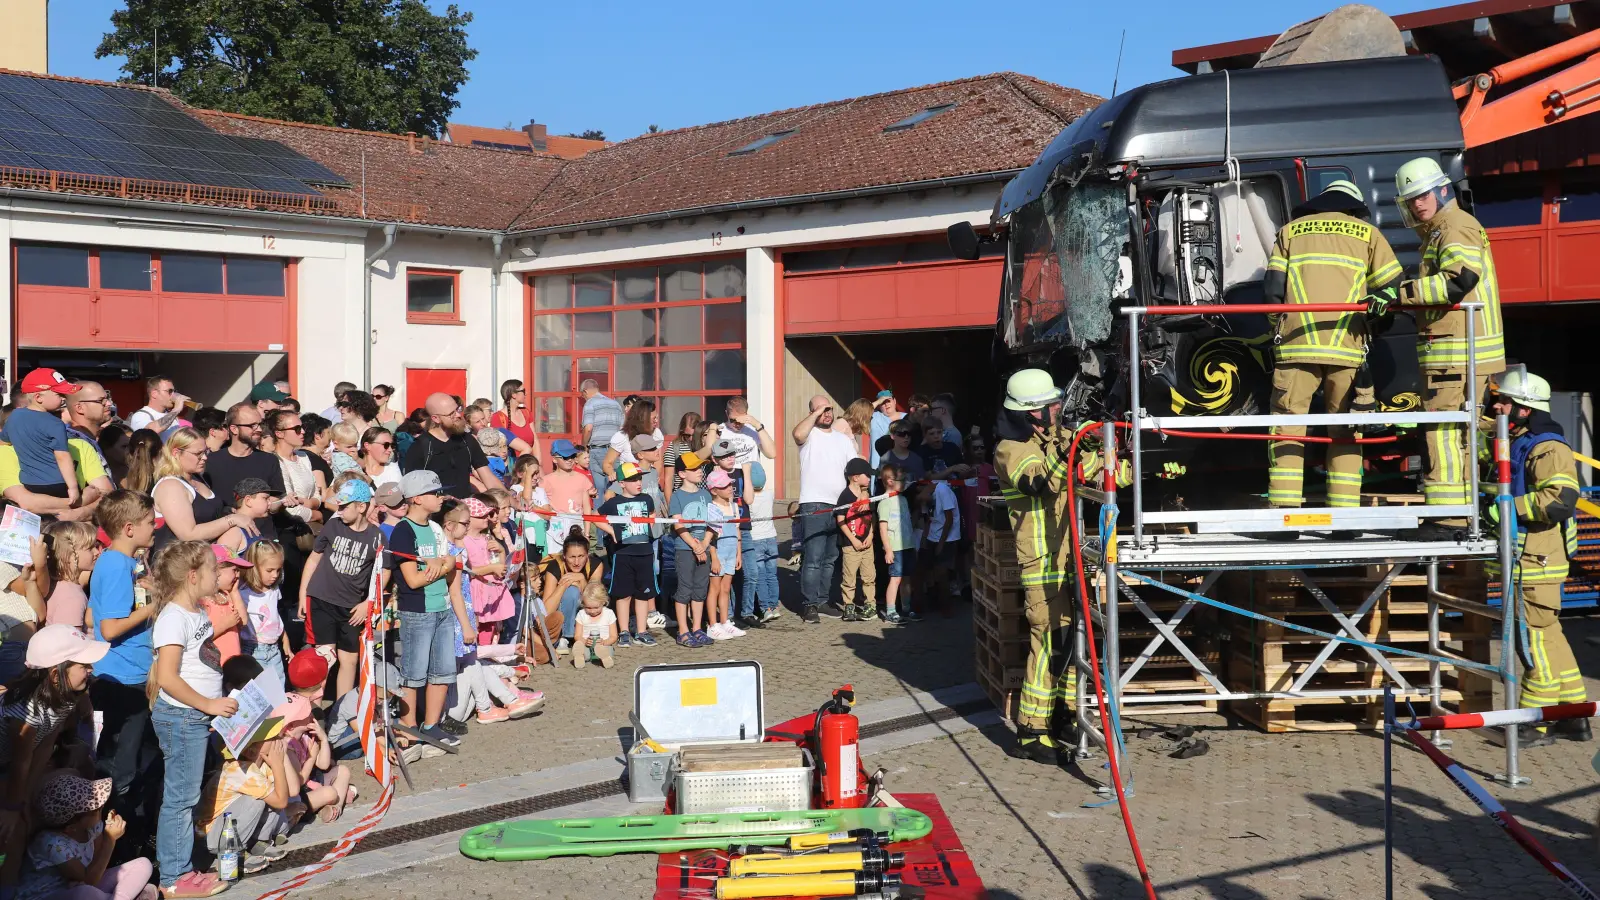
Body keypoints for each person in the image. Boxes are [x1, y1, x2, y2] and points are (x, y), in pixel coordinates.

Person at [1378, 158, 1507, 533]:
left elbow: (1458, 280)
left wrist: (1399, 295)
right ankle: (1462, 513)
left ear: (1442, 190)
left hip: (1456, 354)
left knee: (1444, 432)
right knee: (1459, 433)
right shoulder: (1441, 230)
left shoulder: (1454, 226)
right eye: (1411, 200)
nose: (1417, 205)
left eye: (1422, 196)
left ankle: (1449, 518)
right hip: (1460, 353)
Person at [1261, 180, 1400, 516]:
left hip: (1296, 346)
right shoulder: (1368, 234)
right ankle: (1346, 515)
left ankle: (1285, 512)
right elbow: (1391, 287)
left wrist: (1277, 328)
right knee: (1347, 430)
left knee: (1288, 425)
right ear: (1353, 207)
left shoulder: (1290, 231)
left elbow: (1272, 289)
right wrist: (1375, 327)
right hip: (1347, 347)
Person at [1481, 371, 1588, 747]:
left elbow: (1559, 501)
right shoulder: (1523, 440)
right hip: (1537, 561)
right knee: (1551, 638)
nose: (1497, 407)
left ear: (1525, 410)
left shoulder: (1547, 448)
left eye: (1505, 402)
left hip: (1535, 563)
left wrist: (1502, 509)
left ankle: (1533, 723)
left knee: (1533, 644)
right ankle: (1574, 717)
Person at [993, 369, 1078, 765]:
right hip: (1042, 563)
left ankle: (1063, 717)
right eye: (1050, 405)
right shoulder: (1011, 449)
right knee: (1047, 644)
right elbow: (1041, 483)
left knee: (1067, 643)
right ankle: (1031, 732)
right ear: (1031, 413)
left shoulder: (1053, 438)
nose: (1058, 409)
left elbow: (1087, 468)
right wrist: (1072, 448)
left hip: (1067, 560)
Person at [149, 539, 240, 898]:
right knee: (180, 799)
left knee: (185, 796)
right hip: (183, 716)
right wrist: (208, 704)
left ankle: (182, 869)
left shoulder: (196, 611)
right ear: (192, 576)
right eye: (212, 569)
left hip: (195, 715)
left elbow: (197, 656)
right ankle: (174, 879)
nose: (218, 574)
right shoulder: (173, 618)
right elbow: (167, 676)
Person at [0, 625, 106, 896]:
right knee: (11, 832)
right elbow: (21, 762)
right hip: (6, 767)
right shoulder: (27, 710)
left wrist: (28, 798)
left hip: (13, 767)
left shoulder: (65, 697)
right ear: (56, 674)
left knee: (26, 820)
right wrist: (14, 806)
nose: (91, 669)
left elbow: (45, 748)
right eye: (84, 665)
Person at [86, 491, 160, 858]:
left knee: (140, 762)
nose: (155, 527)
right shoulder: (114, 564)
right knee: (122, 771)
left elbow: (91, 616)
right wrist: (151, 608)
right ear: (129, 528)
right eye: (149, 522)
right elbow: (111, 627)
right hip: (121, 681)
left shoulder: (124, 562)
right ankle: (116, 850)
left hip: (134, 676)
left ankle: (133, 837)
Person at [386, 470, 475, 758]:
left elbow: (450, 562)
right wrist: (440, 566)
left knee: (442, 672)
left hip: (442, 608)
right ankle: (409, 726)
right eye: (435, 494)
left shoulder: (436, 528)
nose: (440, 498)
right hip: (418, 611)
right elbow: (412, 579)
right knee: (413, 674)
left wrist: (440, 565)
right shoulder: (403, 531)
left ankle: (431, 725)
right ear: (416, 499)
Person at [300, 480, 383, 705]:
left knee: (350, 660)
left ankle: (341, 712)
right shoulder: (333, 526)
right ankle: (314, 713)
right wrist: (302, 594)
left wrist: (369, 602)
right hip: (321, 599)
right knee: (324, 657)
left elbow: (381, 574)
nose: (339, 511)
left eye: (344, 507)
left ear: (361, 507)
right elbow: (313, 559)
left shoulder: (376, 537)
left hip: (352, 607)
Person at [19, 770, 156, 900]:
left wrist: (106, 833)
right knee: (84, 892)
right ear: (71, 827)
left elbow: (97, 866)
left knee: (144, 864)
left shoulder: (91, 828)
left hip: (83, 886)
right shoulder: (52, 844)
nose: (101, 807)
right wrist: (109, 840)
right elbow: (88, 880)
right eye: (94, 810)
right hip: (49, 895)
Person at [791, 395, 858, 624]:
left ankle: (821, 600)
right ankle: (809, 604)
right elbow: (797, 434)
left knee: (830, 558)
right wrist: (815, 413)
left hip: (840, 505)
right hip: (814, 504)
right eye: (821, 410)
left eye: (829, 409)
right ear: (812, 412)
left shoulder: (842, 439)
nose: (826, 413)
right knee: (813, 557)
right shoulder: (808, 435)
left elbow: (854, 469)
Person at [151, 428, 256, 559]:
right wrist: (232, 520)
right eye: (198, 453)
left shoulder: (197, 479)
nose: (205, 457)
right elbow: (188, 534)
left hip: (203, 561)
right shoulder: (170, 486)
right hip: (178, 567)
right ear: (176, 453)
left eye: (205, 451)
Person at [594, 462, 658, 648]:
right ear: (621, 483)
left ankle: (642, 631)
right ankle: (623, 631)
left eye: (639, 478)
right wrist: (612, 531)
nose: (638, 482)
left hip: (645, 552)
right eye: (632, 480)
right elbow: (595, 516)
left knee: (643, 594)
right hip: (623, 553)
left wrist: (649, 525)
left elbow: (653, 515)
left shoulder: (647, 499)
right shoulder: (614, 502)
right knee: (623, 595)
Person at [205, 403, 289, 542]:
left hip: (263, 540)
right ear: (234, 429)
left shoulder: (268, 460)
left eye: (260, 424)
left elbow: (275, 499)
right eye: (252, 426)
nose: (259, 429)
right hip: (225, 540)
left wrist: (280, 503)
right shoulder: (211, 461)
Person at [1, 368, 81, 503]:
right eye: (59, 395)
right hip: (57, 483)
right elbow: (62, 457)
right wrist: (73, 487)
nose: (64, 399)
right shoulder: (55, 424)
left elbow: (3, 442)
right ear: (38, 397)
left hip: (29, 483)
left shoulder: (15, 416)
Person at [402, 393, 497, 499]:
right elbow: (412, 492)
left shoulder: (466, 440)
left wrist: (510, 500)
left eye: (458, 409)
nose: (458, 415)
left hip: (465, 510)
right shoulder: (420, 448)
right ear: (436, 418)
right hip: (435, 512)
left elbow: (489, 478)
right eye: (451, 413)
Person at [668, 453, 712, 648]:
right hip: (685, 549)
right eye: (694, 469)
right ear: (682, 474)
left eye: (700, 468)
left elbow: (713, 522)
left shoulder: (706, 494)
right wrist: (694, 545)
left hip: (705, 547)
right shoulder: (677, 496)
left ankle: (697, 628)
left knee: (700, 589)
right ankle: (683, 630)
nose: (699, 472)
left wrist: (705, 543)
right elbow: (678, 525)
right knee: (685, 588)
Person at [539, 528, 604, 657]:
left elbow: (596, 598)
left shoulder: (596, 565)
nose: (576, 562)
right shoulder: (554, 566)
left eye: (581, 556)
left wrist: (582, 580)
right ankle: (565, 637)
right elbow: (546, 609)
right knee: (571, 591)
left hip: (587, 608)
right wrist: (564, 584)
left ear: (587, 555)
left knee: (581, 592)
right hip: (559, 610)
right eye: (572, 557)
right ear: (564, 556)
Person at [463, 496, 513, 645]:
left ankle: (488, 654)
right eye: (482, 515)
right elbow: (468, 570)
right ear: (469, 519)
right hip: (476, 590)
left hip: (492, 590)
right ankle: (480, 657)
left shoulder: (487, 537)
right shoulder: (464, 541)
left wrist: (501, 551)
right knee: (479, 626)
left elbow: (501, 567)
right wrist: (492, 568)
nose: (487, 517)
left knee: (491, 627)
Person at [238, 539, 289, 684]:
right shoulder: (244, 594)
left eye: (278, 570)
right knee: (257, 691)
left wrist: (285, 639)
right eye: (270, 570)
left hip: (274, 649)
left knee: (278, 688)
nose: (275, 575)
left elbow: (275, 616)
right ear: (254, 567)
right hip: (253, 649)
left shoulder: (273, 590)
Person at [834, 457, 878, 622]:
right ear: (855, 477)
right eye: (867, 475)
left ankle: (870, 606)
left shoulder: (867, 495)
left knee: (869, 576)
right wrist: (853, 540)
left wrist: (871, 535)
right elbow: (840, 520)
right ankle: (848, 606)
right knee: (849, 578)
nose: (869, 478)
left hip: (867, 544)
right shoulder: (845, 496)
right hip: (850, 545)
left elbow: (871, 517)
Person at [739, 461, 782, 627]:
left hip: (755, 539)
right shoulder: (769, 494)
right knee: (772, 575)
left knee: (761, 577)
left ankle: (765, 609)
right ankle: (774, 604)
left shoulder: (749, 498)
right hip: (771, 538)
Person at [704, 469, 743, 641]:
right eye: (724, 486)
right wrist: (714, 557)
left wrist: (738, 554)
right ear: (714, 490)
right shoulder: (712, 508)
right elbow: (711, 534)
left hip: (731, 552)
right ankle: (713, 625)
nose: (730, 488)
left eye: (730, 484)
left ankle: (724, 621)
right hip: (719, 552)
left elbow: (737, 531)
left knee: (726, 588)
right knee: (715, 588)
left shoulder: (734, 506)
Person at [63, 380, 117, 501]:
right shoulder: (72, 443)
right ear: (79, 408)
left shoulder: (89, 440)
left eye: (107, 398)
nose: (108, 403)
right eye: (100, 401)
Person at [877, 463, 915, 624]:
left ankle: (906, 609)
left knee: (906, 579)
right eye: (902, 479)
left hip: (908, 546)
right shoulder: (884, 503)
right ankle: (891, 610)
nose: (905, 482)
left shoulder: (903, 499)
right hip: (895, 548)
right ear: (890, 481)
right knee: (895, 578)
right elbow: (883, 529)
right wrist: (888, 550)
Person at [541, 440, 594, 555]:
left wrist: (587, 533)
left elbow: (587, 507)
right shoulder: (546, 481)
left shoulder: (582, 478)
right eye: (565, 457)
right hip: (554, 529)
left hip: (577, 526)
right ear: (554, 459)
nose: (570, 460)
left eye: (572, 456)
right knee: (555, 562)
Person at [920, 473, 962, 615]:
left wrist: (941, 543)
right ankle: (934, 602)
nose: (923, 501)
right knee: (929, 571)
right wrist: (925, 539)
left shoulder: (942, 490)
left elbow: (949, 519)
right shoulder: (926, 496)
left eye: (923, 498)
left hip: (948, 538)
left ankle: (946, 607)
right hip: (933, 535)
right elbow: (927, 519)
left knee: (942, 572)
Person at [43, 520, 97, 630]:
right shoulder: (72, 597)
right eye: (90, 548)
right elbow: (70, 643)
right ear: (68, 556)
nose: (97, 552)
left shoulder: (53, 585)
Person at [204, 543, 252, 664]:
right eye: (234, 570)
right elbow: (200, 638)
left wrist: (234, 592)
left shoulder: (225, 595)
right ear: (216, 570)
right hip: (215, 666)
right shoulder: (202, 601)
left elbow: (243, 621)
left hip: (233, 664)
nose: (238, 575)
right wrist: (224, 625)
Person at [578, 380, 624, 500]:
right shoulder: (615, 404)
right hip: (615, 452)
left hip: (598, 449)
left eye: (582, 395)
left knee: (598, 489)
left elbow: (588, 428)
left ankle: (599, 516)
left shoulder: (590, 404)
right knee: (614, 486)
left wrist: (584, 446)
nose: (583, 398)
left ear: (585, 391)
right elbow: (622, 429)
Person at [571, 583, 618, 669]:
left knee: (607, 650)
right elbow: (577, 635)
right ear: (583, 603)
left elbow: (614, 636)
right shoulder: (582, 614)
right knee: (578, 645)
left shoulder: (609, 614)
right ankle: (579, 657)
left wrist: (604, 642)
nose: (592, 611)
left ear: (603, 602)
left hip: (604, 645)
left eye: (596, 608)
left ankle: (605, 658)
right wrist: (584, 641)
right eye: (588, 608)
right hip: (587, 646)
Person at [490, 379, 538, 461]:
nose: (526, 393)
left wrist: (539, 463)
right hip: (512, 466)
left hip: (530, 464)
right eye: (523, 391)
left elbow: (535, 439)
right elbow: (496, 446)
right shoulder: (498, 417)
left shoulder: (526, 412)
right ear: (514, 395)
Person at [661, 412, 703, 503]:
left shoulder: (704, 447)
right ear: (681, 431)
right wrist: (670, 506)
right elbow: (668, 480)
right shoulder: (674, 447)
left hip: (703, 497)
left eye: (694, 434)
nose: (691, 438)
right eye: (687, 435)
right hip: (681, 498)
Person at [881, 421, 926, 487]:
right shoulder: (885, 459)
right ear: (892, 436)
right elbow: (882, 485)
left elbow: (922, 482)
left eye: (909, 434)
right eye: (902, 434)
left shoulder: (917, 459)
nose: (906, 437)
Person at [868, 390, 900, 469]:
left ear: (895, 401)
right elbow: (861, 413)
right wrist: (878, 401)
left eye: (888, 401)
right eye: (883, 402)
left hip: (900, 467)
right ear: (879, 406)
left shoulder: (906, 417)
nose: (886, 404)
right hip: (877, 467)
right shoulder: (875, 417)